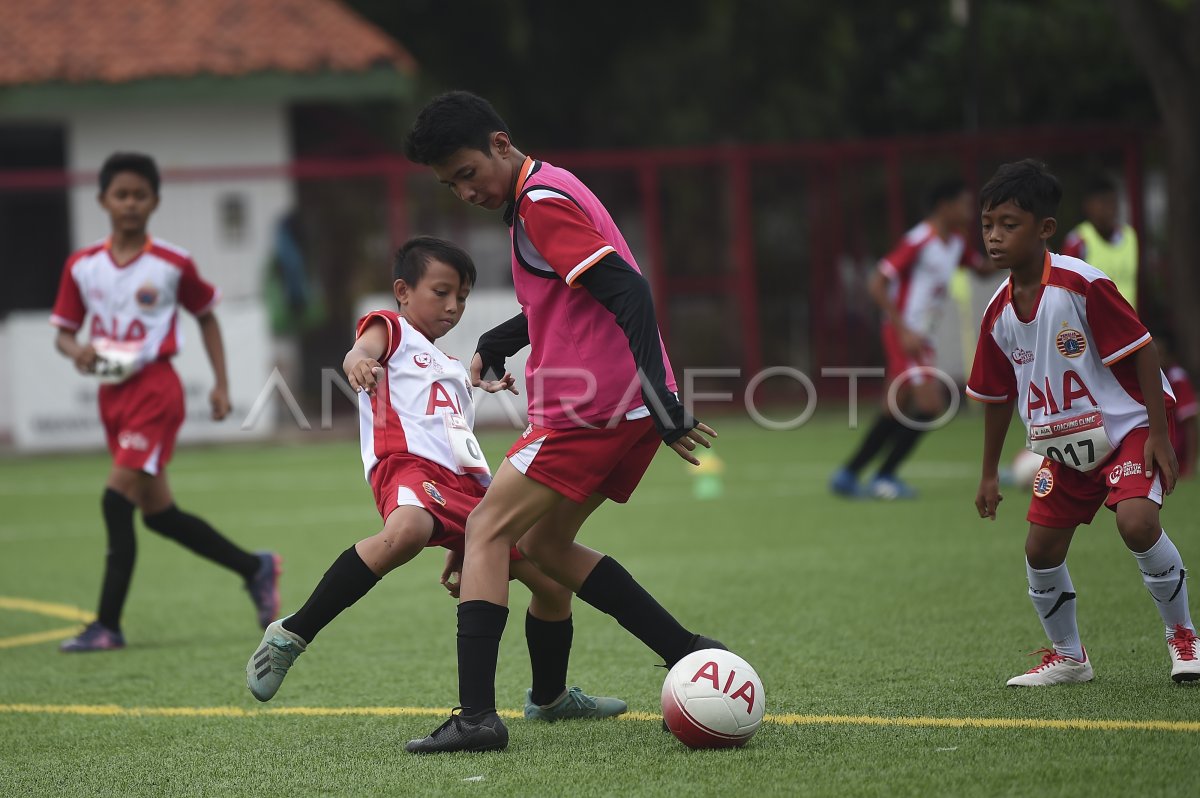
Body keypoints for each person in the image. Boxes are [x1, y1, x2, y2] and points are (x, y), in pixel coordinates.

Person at [401, 91, 722, 753]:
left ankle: (476, 718)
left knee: (487, 529)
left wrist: (662, 396)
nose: (465, 191)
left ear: (499, 143)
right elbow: (577, 294)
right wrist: (501, 338)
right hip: (622, 407)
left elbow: (628, 288)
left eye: (467, 173)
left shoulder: (540, 204)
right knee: (545, 545)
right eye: (449, 185)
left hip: (591, 407)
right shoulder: (550, 188)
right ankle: (689, 652)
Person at [245, 236, 626, 723]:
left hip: (466, 490)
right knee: (407, 531)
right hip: (405, 466)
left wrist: (467, 540)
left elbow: (457, 448)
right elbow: (360, 349)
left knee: (552, 586)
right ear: (403, 291)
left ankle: (549, 697)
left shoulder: (450, 365)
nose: (453, 306)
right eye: (441, 292)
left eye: (462, 298)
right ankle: (292, 633)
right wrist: (358, 362)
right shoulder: (392, 330)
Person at [967, 159, 1198, 686]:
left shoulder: (1081, 282)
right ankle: (1070, 658)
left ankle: (1185, 639)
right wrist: (987, 473)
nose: (995, 236)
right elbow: (997, 396)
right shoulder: (997, 313)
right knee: (1040, 549)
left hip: (1128, 429)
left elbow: (1142, 351)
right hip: (1063, 446)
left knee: (1137, 522)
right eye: (987, 224)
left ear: (1045, 229)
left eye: (1009, 223)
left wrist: (1160, 434)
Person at [50, 152, 280, 652]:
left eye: (140, 194)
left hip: (155, 390)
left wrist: (221, 383)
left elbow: (206, 315)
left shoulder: (171, 263)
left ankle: (107, 625)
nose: (130, 203)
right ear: (103, 201)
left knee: (115, 502)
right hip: (111, 394)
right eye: (121, 194)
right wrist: (78, 351)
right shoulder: (83, 266)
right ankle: (255, 567)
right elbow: (64, 335)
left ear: (154, 201)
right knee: (158, 514)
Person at [831, 178, 985, 500]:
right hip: (905, 334)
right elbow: (877, 283)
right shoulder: (919, 240)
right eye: (964, 204)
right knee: (931, 405)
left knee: (895, 408)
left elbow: (980, 268)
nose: (971, 211)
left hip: (921, 338)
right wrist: (903, 329)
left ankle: (848, 474)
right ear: (945, 206)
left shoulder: (955, 243)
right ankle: (884, 476)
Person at [1061, 171, 1138, 311]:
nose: (1109, 209)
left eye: (1112, 202)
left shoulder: (1130, 237)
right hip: (1094, 329)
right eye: (1103, 203)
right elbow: (1066, 291)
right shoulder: (1078, 241)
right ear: (1088, 206)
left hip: (1128, 326)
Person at [1156, 330, 1197, 478]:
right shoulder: (1147, 379)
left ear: (1168, 356)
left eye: (1159, 354)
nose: (1155, 359)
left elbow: (1190, 423)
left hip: (1178, 461)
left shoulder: (1177, 378)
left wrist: (1191, 467)